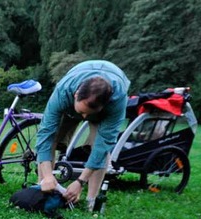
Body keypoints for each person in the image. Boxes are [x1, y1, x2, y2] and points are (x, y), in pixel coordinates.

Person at [36, 60, 130, 209]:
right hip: (68, 105)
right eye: (82, 112)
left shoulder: (117, 100)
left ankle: (91, 200)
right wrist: (48, 175)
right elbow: (45, 135)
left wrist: (80, 182)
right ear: (76, 95)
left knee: (98, 147)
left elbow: (102, 146)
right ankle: (43, 188)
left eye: (89, 113)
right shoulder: (63, 91)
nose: (84, 118)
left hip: (104, 111)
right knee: (53, 139)